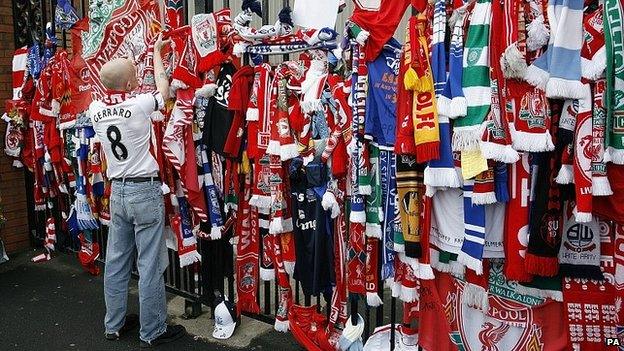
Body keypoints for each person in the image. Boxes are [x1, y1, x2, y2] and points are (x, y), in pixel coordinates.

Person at [89, 34, 186, 348]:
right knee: (149, 264)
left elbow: (105, 89)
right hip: (144, 191)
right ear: (131, 85)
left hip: (118, 192)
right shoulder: (140, 105)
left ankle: (113, 325)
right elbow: (163, 88)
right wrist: (157, 53)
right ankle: (152, 330)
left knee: (116, 261)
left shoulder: (95, 110)